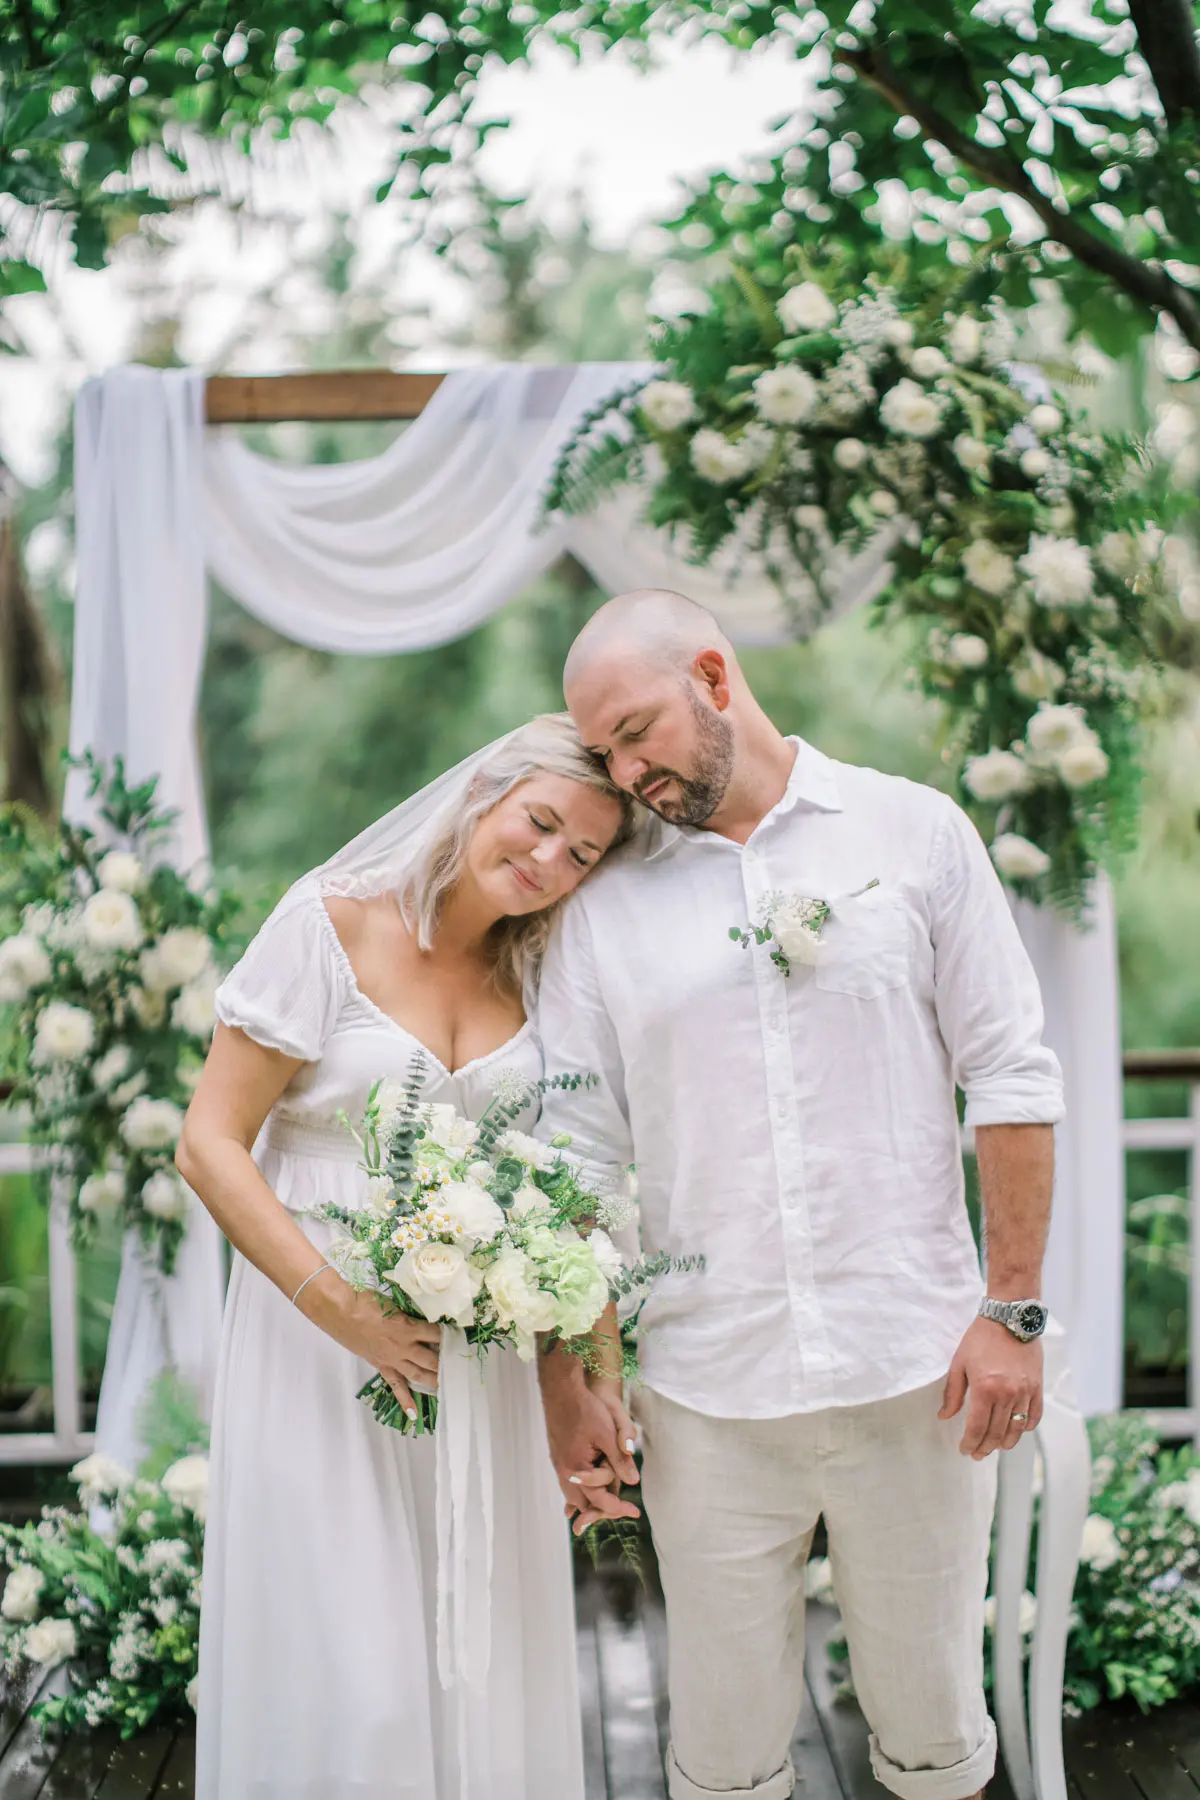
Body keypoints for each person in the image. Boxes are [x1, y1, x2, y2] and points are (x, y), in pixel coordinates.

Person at [536, 590, 1065, 1800]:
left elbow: (1011, 1073)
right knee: (721, 1761)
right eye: (602, 753)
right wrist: (579, 1380)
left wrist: (1015, 1311)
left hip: (913, 1374)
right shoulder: (603, 909)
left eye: (634, 732)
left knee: (938, 1736)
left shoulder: (915, 834)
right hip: (706, 1397)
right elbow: (570, 1156)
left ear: (714, 679)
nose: (624, 772)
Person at [177, 714, 641, 1800]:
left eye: (581, 854)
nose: (547, 861)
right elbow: (209, 1144)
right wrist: (345, 1311)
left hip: (479, 1369)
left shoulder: (545, 974)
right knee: (358, 1668)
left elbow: (569, 1195)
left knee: (477, 1655)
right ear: (483, 793)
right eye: (538, 823)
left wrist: (593, 1382)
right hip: (318, 1353)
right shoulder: (327, 926)